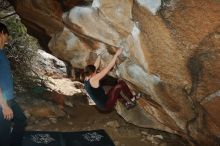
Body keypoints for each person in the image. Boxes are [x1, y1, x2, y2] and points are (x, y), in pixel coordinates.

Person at [83, 47, 140, 112]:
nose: (96, 72)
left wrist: (99, 55)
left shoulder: (86, 77)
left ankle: (126, 102)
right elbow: (108, 68)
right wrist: (116, 54)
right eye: (96, 72)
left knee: (118, 86)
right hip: (106, 105)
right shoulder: (93, 79)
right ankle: (132, 99)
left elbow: (95, 67)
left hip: (105, 99)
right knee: (120, 85)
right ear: (92, 74)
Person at [0, 22, 26, 146]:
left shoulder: (1, 52)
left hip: (8, 98)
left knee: (21, 120)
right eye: (6, 34)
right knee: (3, 136)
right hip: (2, 101)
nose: (8, 37)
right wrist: (4, 106)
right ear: (1, 33)